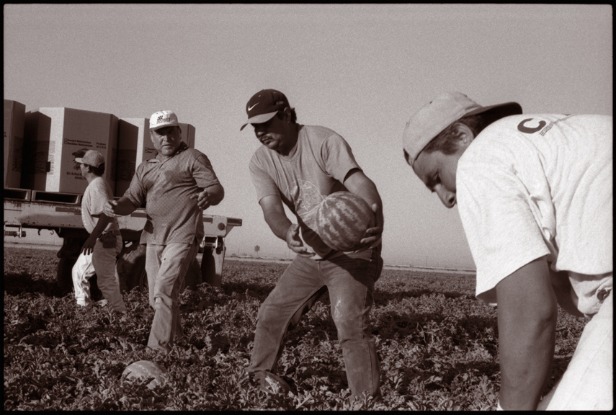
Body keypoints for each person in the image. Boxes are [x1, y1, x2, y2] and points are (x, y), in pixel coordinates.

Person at [402, 91, 612, 410]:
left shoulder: (480, 159)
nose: (445, 197)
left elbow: (530, 313)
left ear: (461, 136)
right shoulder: (551, 138)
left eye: (436, 178)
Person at [240, 89, 384, 397]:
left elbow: (359, 182)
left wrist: (375, 218)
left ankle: (365, 401)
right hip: (312, 249)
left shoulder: (322, 141)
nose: (260, 132)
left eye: (266, 123)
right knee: (271, 313)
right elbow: (271, 209)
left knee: (348, 319)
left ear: (288, 115)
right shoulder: (260, 162)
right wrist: (287, 231)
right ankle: (258, 379)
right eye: (255, 127)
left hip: (351, 251)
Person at [104, 110, 224, 353]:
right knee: (155, 299)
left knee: (165, 290)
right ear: (152, 137)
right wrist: (118, 206)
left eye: (171, 130)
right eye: (160, 132)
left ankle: (156, 350)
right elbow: (132, 199)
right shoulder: (146, 167)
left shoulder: (193, 158)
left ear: (179, 132)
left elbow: (216, 188)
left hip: (183, 235)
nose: (166, 137)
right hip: (153, 237)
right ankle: (178, 342)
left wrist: (208, 196)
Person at [72, 149, 127, 313]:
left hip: (105, 239)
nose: (80, 167)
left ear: (88, 168)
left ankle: (120, 314)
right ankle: (84, 309)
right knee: (80, 272)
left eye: (81, 164)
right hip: (104, 239)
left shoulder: (96, 187)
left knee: (105, 282)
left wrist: (92, 238)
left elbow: (106, 215)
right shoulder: (97, 185)